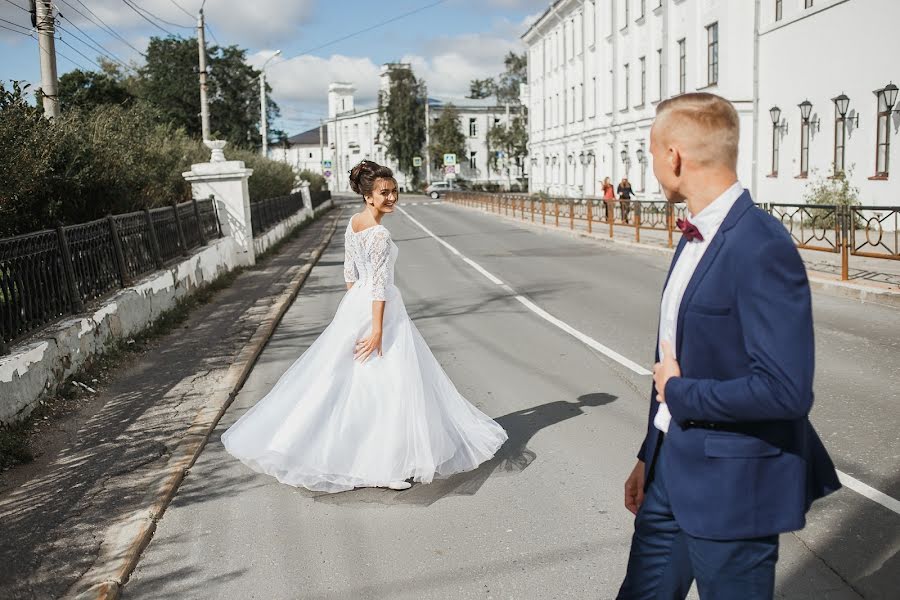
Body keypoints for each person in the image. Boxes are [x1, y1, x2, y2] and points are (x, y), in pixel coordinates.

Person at [616, 93, 840, 599]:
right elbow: (677, 353)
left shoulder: (759, 244)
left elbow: (785, 391)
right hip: (670, 468)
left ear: (674, 156)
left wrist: (680, 393)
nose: (652, 166)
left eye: (651, 152)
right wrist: (648, 453)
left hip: (733, 490)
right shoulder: (694, 235)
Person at [222, 160, 508, 493]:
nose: (392, 198)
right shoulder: (380, 235)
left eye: (394, 191)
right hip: (379, 314)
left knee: (345, 383)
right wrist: (375, 329)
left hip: (356, 306)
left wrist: (352, 311)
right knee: (388, 387)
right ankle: (384, 467)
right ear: (368, 196)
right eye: (384, 193)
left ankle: (344, 453)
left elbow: (350, 275)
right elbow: (379, 286)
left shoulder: (354, 222)